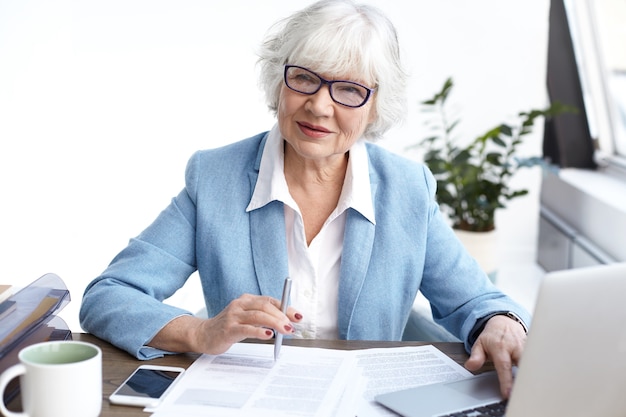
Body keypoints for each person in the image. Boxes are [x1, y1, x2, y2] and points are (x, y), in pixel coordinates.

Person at [80, 0, 529, 399]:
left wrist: (502, 323)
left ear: (376, 106)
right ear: (279, 81)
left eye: (350, 90)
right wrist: (202, 331)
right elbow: (109, 295)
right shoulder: (215, 178)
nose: (319, 106)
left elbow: (477, 301)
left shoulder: (407, 188)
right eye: (304, 79)